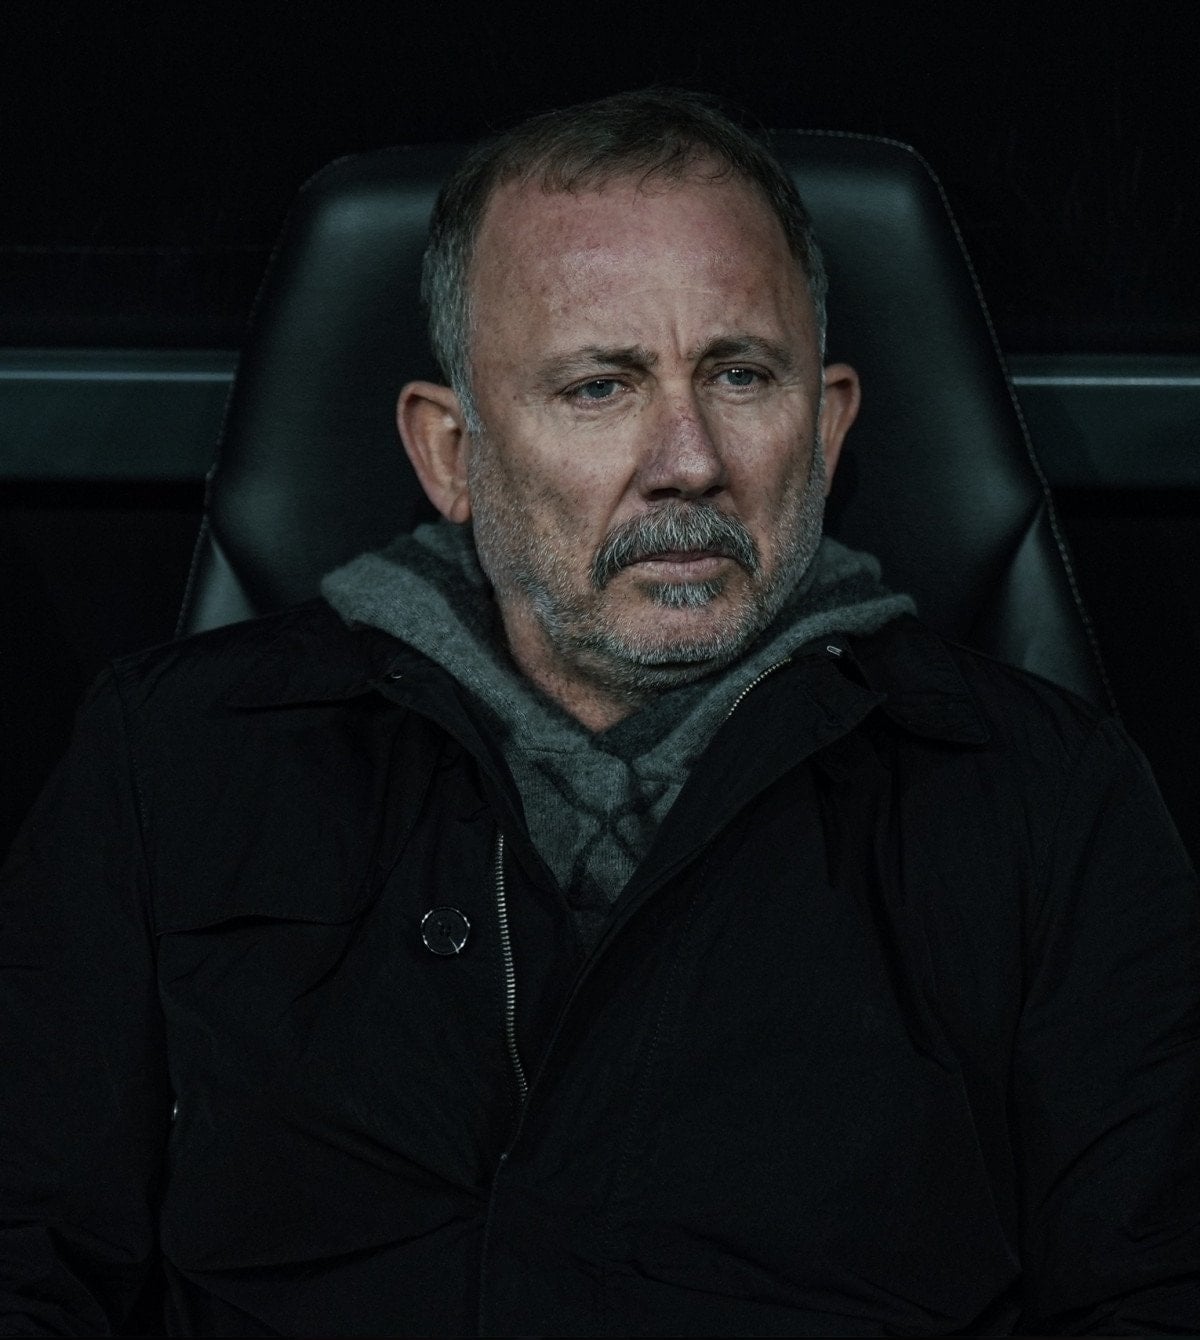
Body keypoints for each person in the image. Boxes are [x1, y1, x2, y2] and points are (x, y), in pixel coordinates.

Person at [2, 89, 1198, 1337]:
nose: (688, 459)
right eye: (598, 387)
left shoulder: (1045, 799)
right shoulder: (171, 759)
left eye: (741, 374)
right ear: (451, 452)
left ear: (829, 424)